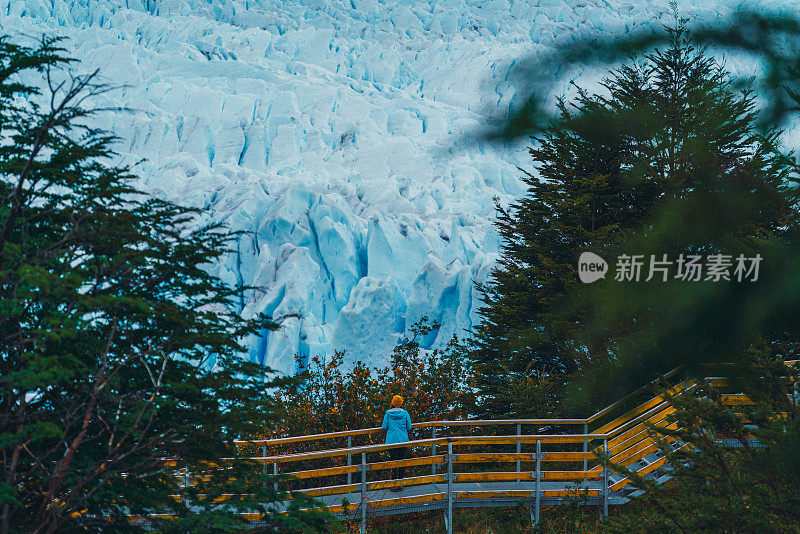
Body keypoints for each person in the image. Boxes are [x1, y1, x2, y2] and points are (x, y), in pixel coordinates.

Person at [382, 395, 412, 492]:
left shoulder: (388, 413)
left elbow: (384, 427)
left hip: (392, 441)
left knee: (393, 461)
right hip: (403, 440)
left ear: (392, 403)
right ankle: (400, 484)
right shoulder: (405, 413)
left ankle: (394, 484)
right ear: (401, 403)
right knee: (402, 462)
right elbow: (409, 427)